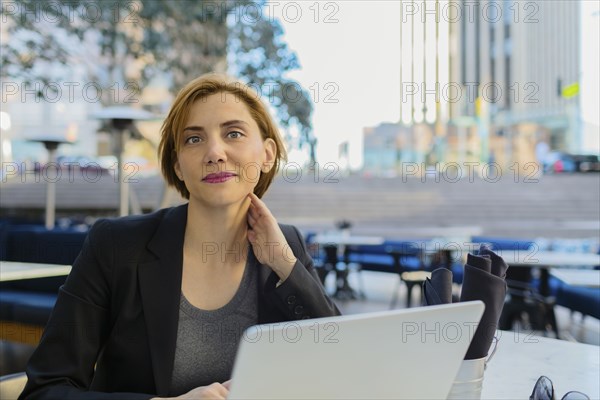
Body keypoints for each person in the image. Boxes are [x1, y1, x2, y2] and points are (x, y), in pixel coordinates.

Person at [19, 74, 340, 400]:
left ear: (268, 154)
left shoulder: (287, 246)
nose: (215, 152)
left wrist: (285, 264)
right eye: (194, 139)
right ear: (177, 163)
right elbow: (44, 391)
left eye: (234, 133)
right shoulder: (116, 245)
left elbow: (342, 363)